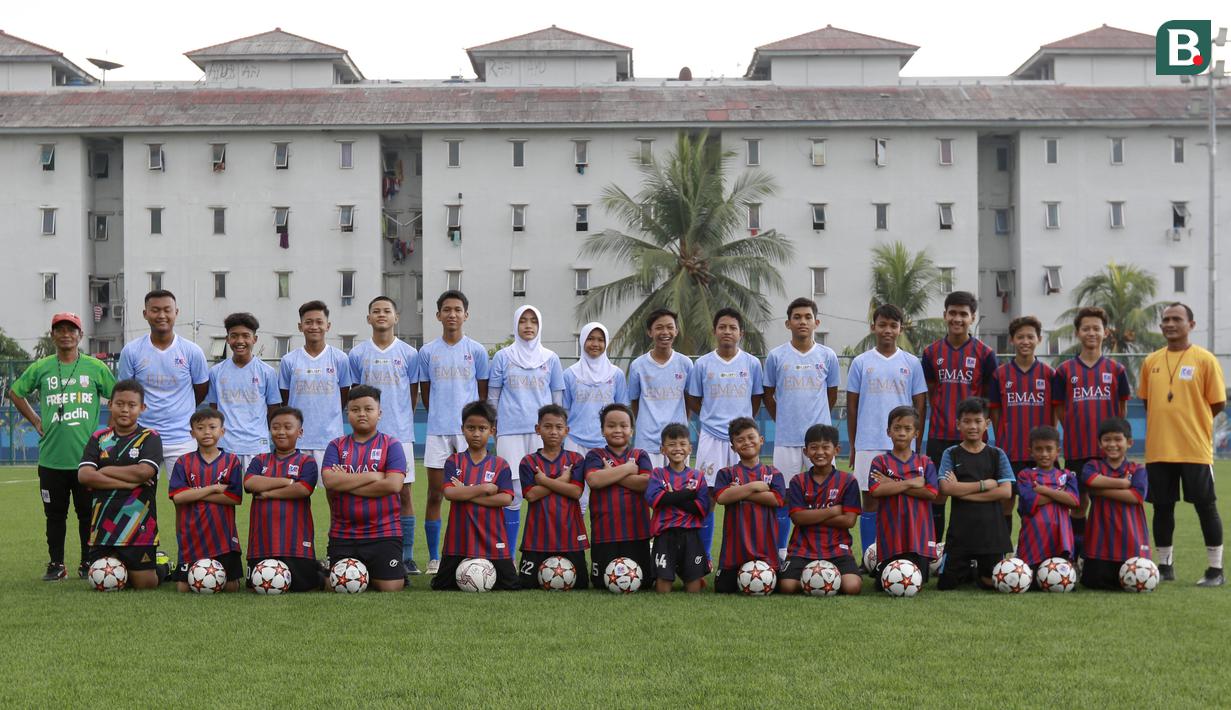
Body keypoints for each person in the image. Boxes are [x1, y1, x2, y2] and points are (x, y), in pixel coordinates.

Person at [8, 311, 116, 581]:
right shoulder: (42, 367)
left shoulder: (95, 367)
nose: (66, 334)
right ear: (53, 335)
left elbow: (116, 396)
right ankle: (56, 564)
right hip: (51, 459)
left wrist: (108, 433)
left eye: (71, 329)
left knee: (86, 515)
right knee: (54, 516)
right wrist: (35, 419)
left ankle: (86, 563)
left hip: (87, 461)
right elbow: (15, 392)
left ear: (80, 335)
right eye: (60, 329)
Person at [1138, 302, 1226, 586]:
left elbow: (1217, 403)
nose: (1169, 324)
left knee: (1205, 506)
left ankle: (1215, 570)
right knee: (1162, 507)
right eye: (1165, 319)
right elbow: (1148, 401)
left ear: (1191, 324)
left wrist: (1192, 423)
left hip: (1194, 449)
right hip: (1159, 449)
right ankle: (1165, 566)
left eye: (1176, 319)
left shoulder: (1205, 359)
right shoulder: (1151, 361)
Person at [845, 304, 928, 561]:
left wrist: (918, 444)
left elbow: (920, 404)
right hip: (868, 441)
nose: (887, 330)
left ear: (900, 329)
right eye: (882, 325)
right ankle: (871, 557)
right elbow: (851, 404)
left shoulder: (911, 362)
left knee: (903, 498)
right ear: (873, 327)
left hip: (903, 445)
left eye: (893, 325)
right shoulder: (861, 362)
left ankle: (901, 552)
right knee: (869, 500)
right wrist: (853, 445)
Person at [417, 290, 490, 575]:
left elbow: (481, 395)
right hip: (437, 431)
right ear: (438, 315)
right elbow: (425, 393)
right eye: (446, 310)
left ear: (466, 315)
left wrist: (474, 426)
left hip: (467, 433)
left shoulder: (477, 351)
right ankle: (435, 558)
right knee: (436, 494)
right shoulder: (427, 352)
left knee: (470, 494)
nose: (452, 314)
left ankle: (471, 551)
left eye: (457, 310)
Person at [763, 297, 840, 561]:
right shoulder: (776, 356)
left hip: (819, 441)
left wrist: (818, 424)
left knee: (824, 496)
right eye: (797, 317)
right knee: (782, 496)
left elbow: (831, 395)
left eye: (808, 317)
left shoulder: (827, 356)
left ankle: (824, 548)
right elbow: (768, 394)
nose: (802, 321)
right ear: (788, 323)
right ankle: (782, 553)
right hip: (786, 439)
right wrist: (783, 419)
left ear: (816, 322)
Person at [349, 296, 421, 575]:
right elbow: (354, 395)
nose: (381, 315)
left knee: (404, 493)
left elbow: (413, 395)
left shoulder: (409, 354)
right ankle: (361, 549)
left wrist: (401, 418)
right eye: (375, 311)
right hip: (366, 437)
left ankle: (407, 556)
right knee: (365, 494)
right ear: (368, 318)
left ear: (396, 317)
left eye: (386, 311)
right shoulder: (357, 354)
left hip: (400, 434)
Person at [1052, 306, 1130, 560]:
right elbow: (1060, 408)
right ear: (1077, 333)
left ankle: (1104, 553)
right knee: (1078, 503)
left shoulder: (1116, 370)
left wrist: (1114, 441)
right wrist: (1074, 427)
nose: (1091, 333)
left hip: (1106, 452)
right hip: (1077, 448)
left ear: (1105, 332)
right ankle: (1078, 555)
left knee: (1106, 502)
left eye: (1096, 328)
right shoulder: (1065, 370)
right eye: (1086, 328)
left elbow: (1121, 409)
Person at [685, 308, 764, 561]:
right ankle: (704, 556)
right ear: (714, 331)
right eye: (723, 327)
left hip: (741, 440)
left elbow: (756, 398)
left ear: (741, 333)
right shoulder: (702, 364)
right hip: (711, 437)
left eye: (732, 327)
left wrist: (741, 427)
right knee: (708, 495)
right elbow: (694, 400)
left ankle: (748, 554)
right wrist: (712, 417)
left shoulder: (751, 363)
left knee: (747, 494)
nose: (727, 332)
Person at [921, 291, 998, 543]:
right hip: (940, 435)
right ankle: (933, 551)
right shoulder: (931, 352)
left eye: (963, 314)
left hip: (973, 441)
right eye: (952, 313)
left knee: (971, 494)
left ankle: (971, 550)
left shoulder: (985, 354)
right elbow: (931, 392)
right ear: (945, 315)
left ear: (972, 317)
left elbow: (988, 399)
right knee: (937, 495)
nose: (957, 318)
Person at [488, 304, 565, 550]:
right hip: (509, 432)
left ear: (540, 325)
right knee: (512, 494)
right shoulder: (503, 357)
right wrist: (495, 427)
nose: (528, 325)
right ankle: (509, 557)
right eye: (523, 321)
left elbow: (557, 400)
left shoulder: (551, 358)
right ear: (515, 325)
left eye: (533, 321)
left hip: (542, 434)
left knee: (545, 488)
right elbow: (493, 397)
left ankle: (547, 552)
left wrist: (555, 431)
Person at [76, 379, 164, 590]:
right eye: (120, 404)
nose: (125, 409)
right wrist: (131, 482)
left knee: (144, 585)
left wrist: (104, 471)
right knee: (102, 579)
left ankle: (162, 566)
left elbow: (144, 471)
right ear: (110, 405)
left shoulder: (149, 437)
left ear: (142, 408)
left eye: (132, 405)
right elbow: (85, 475)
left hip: (138, 523)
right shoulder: (98, 438)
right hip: (103, 525)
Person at [320, 385, 408, 592]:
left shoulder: (392, 445)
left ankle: (374, 571)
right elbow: (330, 481)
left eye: (368, 409)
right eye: (355, 409)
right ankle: (330, 570)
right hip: (344, 532)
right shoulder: (336, 445)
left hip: (384, 531)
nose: (361, 414)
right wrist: (371, 476)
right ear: (347, 413)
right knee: (336, 586)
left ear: (379, 413)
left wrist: (347, 482)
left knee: (391, 587)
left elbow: (393, 485)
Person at [117, 289, 209, 477]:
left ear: (176, 312)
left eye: (167, 310)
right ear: (145, 314)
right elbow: (125, 394)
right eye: (155, 310)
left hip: (182, 437)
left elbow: (201, 390)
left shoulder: (192, 351)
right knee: (140, 496)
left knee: (185, 497)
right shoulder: (132, 351)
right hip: (142, 435)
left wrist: (182, 409)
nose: (161, 315)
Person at [431, 401, 519, 591]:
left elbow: (505, 498)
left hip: (492, 537)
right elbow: (449, 492)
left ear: (492, 430)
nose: (476, 433)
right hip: (459, 540)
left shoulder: (500, 464)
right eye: (471, 428)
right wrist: (484, 488)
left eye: (482, 428)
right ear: (462, 429)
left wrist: (466, 492)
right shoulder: (454, 461)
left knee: (511, 585)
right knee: (441, 586)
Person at [934, 398, 1013, 591]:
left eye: (978, 421)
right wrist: (984, 484)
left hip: (991, 536)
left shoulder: (997, 454)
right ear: (958, 424)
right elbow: (945, 488)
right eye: (967, 421)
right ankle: (969, 571)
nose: (972, 426)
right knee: (946, 585)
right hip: (960, 534)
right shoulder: (951, 453)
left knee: (993, 584)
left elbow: (1005, 491)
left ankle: (978, 572)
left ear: (987, 424)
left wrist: (961, 490)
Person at [243, 406, 322, 592]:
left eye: (288, 427)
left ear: (299, 432)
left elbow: (303, 489)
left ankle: (320, 568)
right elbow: (249, 483)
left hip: (295, 544)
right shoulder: (260, 460)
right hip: (262, 544)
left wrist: (269, 493)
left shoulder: (307, 462)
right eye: (276, 427)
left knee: (304, 587)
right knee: (255, 588)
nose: (281, 432)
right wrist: (287, 481)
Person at [988, 315, 1057, 530]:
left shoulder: (1049, 374)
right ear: (1012, 340)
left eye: (1030, 336)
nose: (1025, 341)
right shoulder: (1000, 374)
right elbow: (996, 413)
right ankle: (1004, 558)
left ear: (1039, 339)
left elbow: (1055, 412)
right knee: (1005, 503)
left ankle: (1033, 552)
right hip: (1010, 452)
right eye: (1020, 337)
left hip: (1041, 455)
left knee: (1037, 505)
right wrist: (1003, 440)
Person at [777, 424, 862, 596]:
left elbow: (849, 521)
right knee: (786, 586)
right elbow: (798, 518)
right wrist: (832, 511)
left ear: (836, 450)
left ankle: (822, 580)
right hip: (802, 549)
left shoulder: (848, 481)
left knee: (852, 587)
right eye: (814, 448)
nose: (820, 452)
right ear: (805, 451)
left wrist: (811, 514)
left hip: (837, 548)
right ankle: (817, 580)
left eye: (826, 447)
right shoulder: (797, 481)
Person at [168, 408, 244, 593]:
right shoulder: (183, 462)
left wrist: (194, 492)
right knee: (183, 588)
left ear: (222, 431)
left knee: (232, 587)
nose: (207, 432)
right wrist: (214, 488)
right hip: (192, 535)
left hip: (223, 536)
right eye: (200, 428)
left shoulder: (232, 461)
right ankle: (164, 568)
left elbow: (234, 498)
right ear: (192, 433)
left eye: (212, 427)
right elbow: (178, 497)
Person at [583, 403, 654, 589]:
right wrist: (628, 469)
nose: (617, 430)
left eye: (623, 426)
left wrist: (612, 474)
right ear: (602, 430)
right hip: (606, 533)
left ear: (631, 430)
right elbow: (595, 480)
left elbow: (645, 483)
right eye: (611, 425)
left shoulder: (640, 455)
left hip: (637, 533)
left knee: (643, 582)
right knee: (601, 584)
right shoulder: (595, 455)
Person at [518, 405, 588, 590]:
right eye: (547, 426)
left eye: (559, 427)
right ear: (537, 429)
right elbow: (531, 495)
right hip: (537, 538)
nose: (553, 432)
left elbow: (575, 492)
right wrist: (561, 481)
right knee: (526, 585)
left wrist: (543, 481)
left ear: (567, 431)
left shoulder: (576, 459)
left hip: (570, 536)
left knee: (580, 585)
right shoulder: (528, 461)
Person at [713, 417, 785, 594]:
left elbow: (777, 500)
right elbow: (722, 497)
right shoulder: (726, 473)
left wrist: (740, 492)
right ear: (733, 447)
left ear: (761, 439)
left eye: (751, 437)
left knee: (781, 587)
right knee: (723, 588)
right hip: (734, 553)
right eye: (740, 440)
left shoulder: (773, 473)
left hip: (766, 551)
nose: (746, 442)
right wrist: (753, 487)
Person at [868, 406, 938, 584]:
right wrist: (910, 482)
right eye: (897, 428)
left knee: (918, 581)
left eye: (907, 429)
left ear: (916, 433)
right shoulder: (880, 461)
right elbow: (876, 490)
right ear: (888, 431)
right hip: (891, 533)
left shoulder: (925, 461)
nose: (901, 433)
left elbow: (931, 493)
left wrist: (892, 483)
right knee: (884, 583)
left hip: (918, 536)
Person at [279, 300, 353, 471]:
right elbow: (285, 399)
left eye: (319, 322)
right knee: (297, 489)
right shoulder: (289, 360)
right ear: (300, 326)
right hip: (298, 438)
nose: (314, 327)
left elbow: (343, 395)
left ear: (328, 326)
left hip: (330, 437)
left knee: (333, 489)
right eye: (308, 322)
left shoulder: (340, 358)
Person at [1078, 417, 1151, 590]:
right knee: (1093, 583)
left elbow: (1136, 496)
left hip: (1130, 542)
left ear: (1129, 442)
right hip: (1099, 543)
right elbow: (1089, 479)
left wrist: (1099, 491)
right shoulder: (1093, 465)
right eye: (1107, 440)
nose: (1112, 444)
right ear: (1100, 443)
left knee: (1131, 583)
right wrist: (1123, 484)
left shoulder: (1137, 469)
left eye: (1118, 439)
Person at [204, 312, 281, 470]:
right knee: (224, 494)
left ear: (255, 339)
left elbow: (273, 410)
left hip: (257, 446)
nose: (240, 341)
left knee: (260, 493)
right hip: (225, 446)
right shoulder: (216, 372)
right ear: (227, 339)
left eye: (246, 336)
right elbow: (214, 409)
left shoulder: (267, 372)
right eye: (234, 336)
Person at [644, 423, 710, 594]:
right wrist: (688, 494)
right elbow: (655, 500)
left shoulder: (698, 476)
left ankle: (693, 575)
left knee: (694, 589)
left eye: (682, 444)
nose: (677, 448)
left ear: (690, 448)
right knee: (663, 589)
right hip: (665, 535)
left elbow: (701, 508)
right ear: (662, 449)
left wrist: (672, 496)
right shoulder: (658, 473)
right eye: (672, 444)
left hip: (690, 535)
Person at [628, 309, 692, 468]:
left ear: (676, 331)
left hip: (677, 442)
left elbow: (689, 400)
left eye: (670, 327)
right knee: (648, 487)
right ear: (650, 332)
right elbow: (634, 401)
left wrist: (683, 425)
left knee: (679, 488)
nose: (665, 332)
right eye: (659, 328)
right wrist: (645, 423)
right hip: (647, 441)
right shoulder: (638, 366)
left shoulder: (686, 364)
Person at [1015, 426, 1079, 573]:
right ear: (1030, 451)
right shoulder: (1025, 475)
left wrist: (1044, 490)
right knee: (1030, 578)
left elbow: (1074, 501)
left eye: (1049, 449)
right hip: (1034, 536)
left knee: (1061, 576)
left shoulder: (1066, 475)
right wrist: (1059, 494)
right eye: (1039, 449)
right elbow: (1030, 501)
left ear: (1058, 451)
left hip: (1061, 534)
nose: (1044, 454)